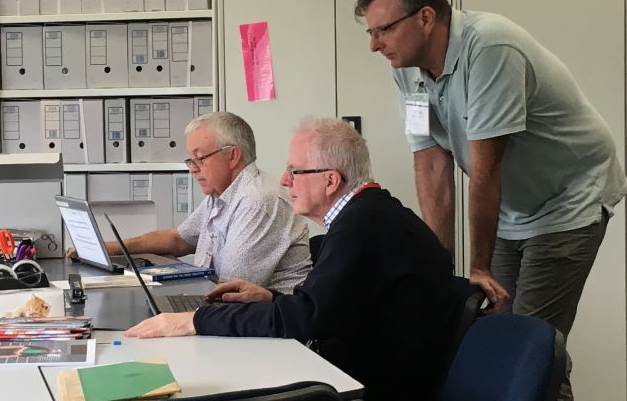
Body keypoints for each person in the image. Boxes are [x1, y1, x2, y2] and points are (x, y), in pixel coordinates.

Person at [356, 0, 625, 400]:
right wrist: (439, 267)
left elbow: (486, 168)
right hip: (511, 207)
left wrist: (478, 266)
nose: (374, 45)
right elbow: (431, 164)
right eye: (370, 33)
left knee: (530, 347)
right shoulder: (406, 68)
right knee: (499, 341)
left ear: (426, 18)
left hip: (569, 198)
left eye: (383, 29)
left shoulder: (490, 47)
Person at [124, 116, 465, 401]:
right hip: (377, 367)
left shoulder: (361, 226)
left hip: (378, 386)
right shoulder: (372, 213)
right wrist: (271, 298)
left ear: (330, 180)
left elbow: (306, 319)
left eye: (295, 171)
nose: (284, 181)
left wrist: (195, 320)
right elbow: (328, 308)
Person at [103, 112, 313, 292]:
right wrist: (112, 248)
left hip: (266, 320)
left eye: (200, 158)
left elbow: (230, 289)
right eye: (190, 160)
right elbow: (179, 239)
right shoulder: (223, 193)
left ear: (232, 156)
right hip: (230, 310)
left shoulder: (258, 201)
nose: (192, 169)